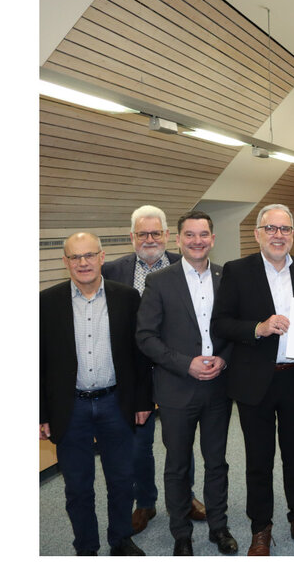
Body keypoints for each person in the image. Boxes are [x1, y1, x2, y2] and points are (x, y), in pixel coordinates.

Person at [210, 204, 294, 556]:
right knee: (258, 460)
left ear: (293, 234)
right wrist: (257, 328)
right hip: (255, 382)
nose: (279, 235)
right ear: (257, 233)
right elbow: (222, 323)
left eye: (285, 229)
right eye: (271, 229)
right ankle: (260, 528)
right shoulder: (237, 270)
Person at [40, 232, 152, 555]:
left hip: (116, 405)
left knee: (121, 480)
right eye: (75, 257)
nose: (83, 262)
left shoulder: (128, 298)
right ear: (66, 262)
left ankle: (120, 539)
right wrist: (41, 414)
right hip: (70, 409)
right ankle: (86, 548)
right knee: (77, 488)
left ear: (102, 257)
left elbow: (139, 355)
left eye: (89, 255)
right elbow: (38, 363)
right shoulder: (46, 302)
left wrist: (143, 401)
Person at [135, 211, 238, 556]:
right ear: (177, 240)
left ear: (212, 238)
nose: (197, 241)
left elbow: (235, 329)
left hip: (219, 388)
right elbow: (146, 337)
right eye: (190, 235)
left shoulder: (228, 277)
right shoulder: (160, 281)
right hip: (177, 388)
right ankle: (181, 533)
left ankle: (219, 528)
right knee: (177, 464)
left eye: (204, 234)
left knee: (217, 462)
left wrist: (223, 358)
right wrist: (186, 364)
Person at [103, 204, 204, 533]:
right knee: (138, 444)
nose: (149, 239)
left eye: (155, 233)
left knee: (180, 441)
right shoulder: (112, 272)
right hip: (133, 373)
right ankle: (145, 501)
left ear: (168, 236)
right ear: (132, 237)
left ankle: (184, 496)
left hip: (176, 368)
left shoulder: (186, 265)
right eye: (142, 233)